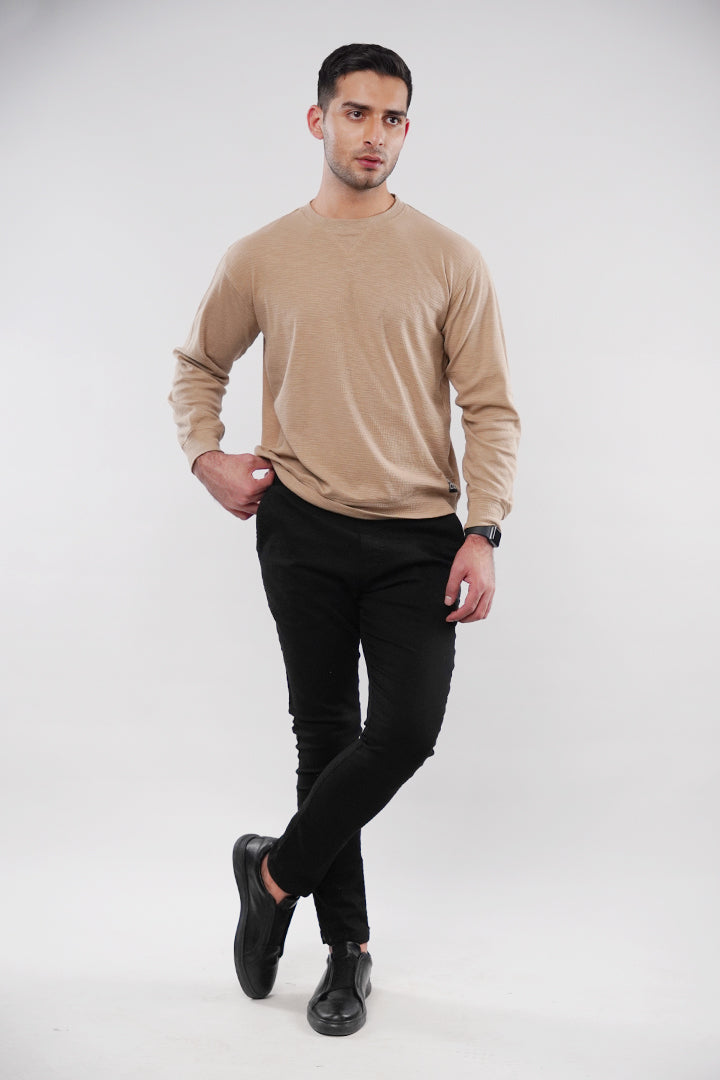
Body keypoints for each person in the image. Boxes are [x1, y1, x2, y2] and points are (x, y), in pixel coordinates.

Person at [169, 42, 520, 1037]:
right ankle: (347, 953)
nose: (374, 134)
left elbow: (491, 407)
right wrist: (206, 455)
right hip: (302, 527)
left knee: (403, 734)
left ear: (408, 130)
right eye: (356, 113)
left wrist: (484, 529)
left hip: (418, 539)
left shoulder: (450, 259)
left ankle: (271, 877)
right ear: (318, 119)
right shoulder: (262, 255)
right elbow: (198, 364)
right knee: (324, 737)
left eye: (392, 117)